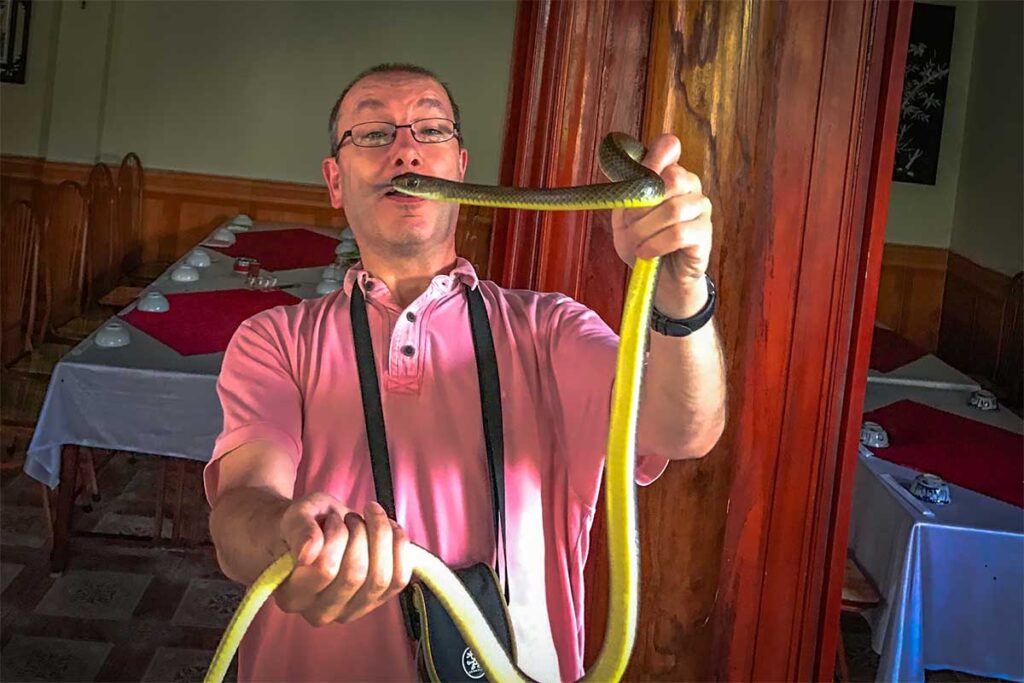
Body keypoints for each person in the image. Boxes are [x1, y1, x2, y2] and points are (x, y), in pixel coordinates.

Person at [205, 63, 726, 682]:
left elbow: (683, 430)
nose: (405, 149)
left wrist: (681, 288)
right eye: (373, 133)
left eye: (430, 130)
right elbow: (240, 512)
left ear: (459, 166)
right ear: (335, 181)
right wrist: (285, 535)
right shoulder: (275, 341)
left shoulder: (550, 330)